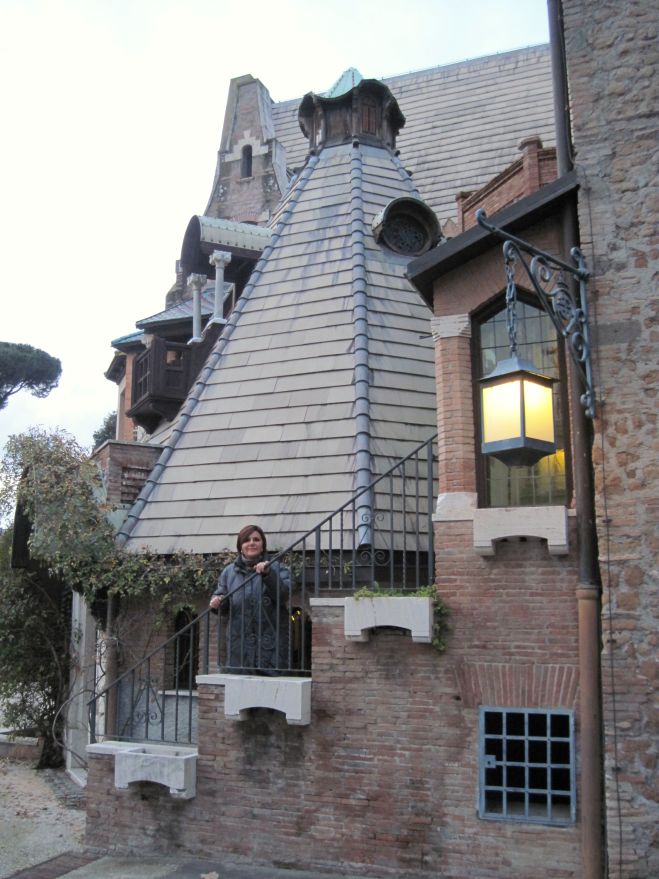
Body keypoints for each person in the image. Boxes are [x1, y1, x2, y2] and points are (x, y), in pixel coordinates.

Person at [209, 524, 292, 674]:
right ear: (240, 547)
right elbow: (223, 601)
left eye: (256, 539)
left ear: (262, 545)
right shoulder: (229, 573)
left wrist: (268, 574)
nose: (251, 543)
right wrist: (217, 603)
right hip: (239, 652)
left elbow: (283, 594)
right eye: (246, 540)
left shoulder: (277, 568)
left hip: (270, 651)